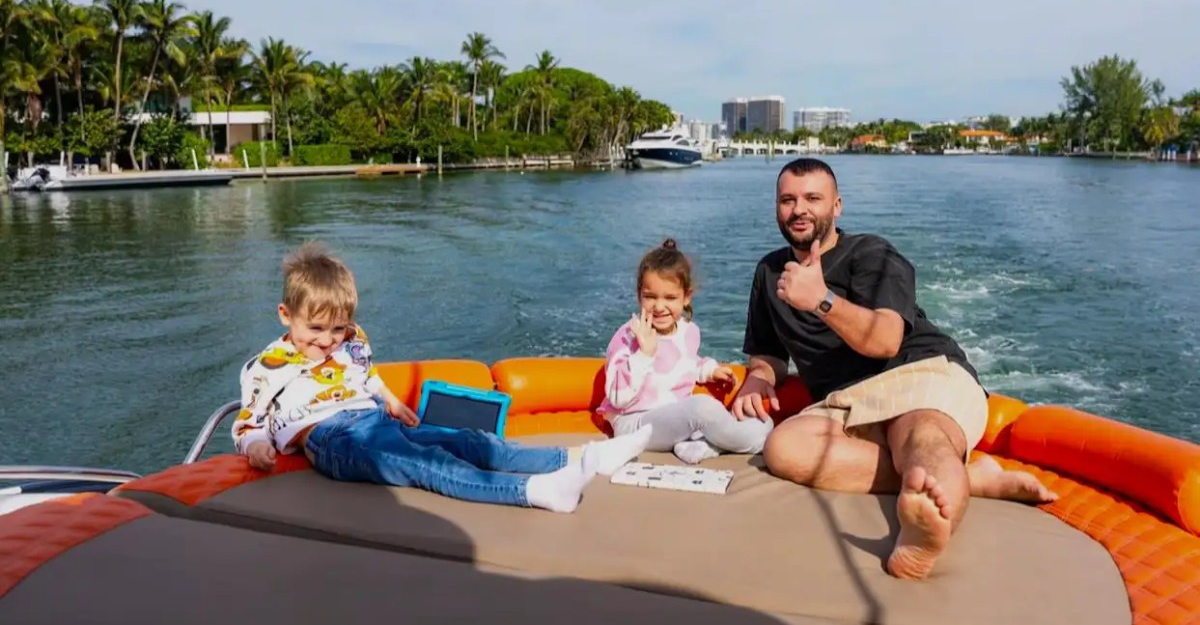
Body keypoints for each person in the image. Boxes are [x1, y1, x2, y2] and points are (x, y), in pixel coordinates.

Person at [732, 158, 1057, 580]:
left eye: (813, 198)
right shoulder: (769, 271)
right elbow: (769, 354)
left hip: (916, 374)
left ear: (837, 206)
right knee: (783, 448)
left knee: (921, 440)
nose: (799, 210)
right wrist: (759, 375)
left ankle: (924, 530)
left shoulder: (872, 253)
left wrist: (821, 300)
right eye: (788, 200)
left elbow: (885, 340)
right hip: (845, 405)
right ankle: (969, 479)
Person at [233, 241, 652, 514]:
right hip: (335, 440)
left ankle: (583, 458)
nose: (327, 341)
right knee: (427, 464)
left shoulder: (352, 340)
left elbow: (366, 376)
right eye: (316, 329)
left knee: (471, 441)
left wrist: (392, 402)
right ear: (286, 315)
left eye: (338, 328)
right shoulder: (267, 366)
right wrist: (255, 447)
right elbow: (248, 422)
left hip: (374, 420)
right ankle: (533, 491)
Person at [598, 238, 773, 464]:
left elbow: (686, 362)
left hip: (675, 421)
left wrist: (708, 371)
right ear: (639, 294)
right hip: (634, 423)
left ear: (686, 297)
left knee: (762, 421)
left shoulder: (688, 332)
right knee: (702, 408)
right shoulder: (627, 336)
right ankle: (747, 442)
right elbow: (618, 399)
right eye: (650, 297)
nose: (659, 307)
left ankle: (702, 447)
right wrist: (644, 354)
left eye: (670, 298)